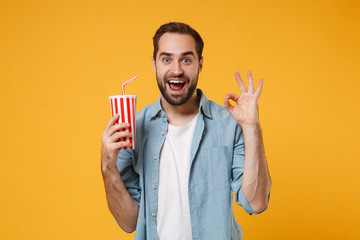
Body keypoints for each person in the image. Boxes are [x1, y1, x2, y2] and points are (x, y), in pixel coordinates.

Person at [101, 22, 271, 240]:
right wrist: (108, 165)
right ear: (154, 64)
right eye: (166, 59)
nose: (177, 70)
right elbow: (128, 222)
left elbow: (256, 203)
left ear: (200, 65)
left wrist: (251, 128)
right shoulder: (132, 129)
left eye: (186, 59)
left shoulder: (228, 124)